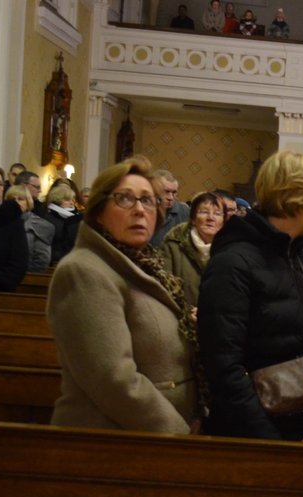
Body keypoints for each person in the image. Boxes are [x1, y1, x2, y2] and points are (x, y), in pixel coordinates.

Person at [197, 150, 303, 442]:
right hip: (252, 439)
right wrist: (272, 445)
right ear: (297, 200)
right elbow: (224, 368)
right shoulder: (233, 263)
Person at [45, 157, 200, 433]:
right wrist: (179, 433)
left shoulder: (147, 266)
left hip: (150, 438)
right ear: (98, 211)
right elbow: (113, 380)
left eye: (148, 200)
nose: (140, 210)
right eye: (125, 199)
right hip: (113, 442)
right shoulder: (85, 270)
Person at [159, 191, 226, 308]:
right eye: (204, 212)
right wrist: (188, 312)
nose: (210, 218)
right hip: (180, 319)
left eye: (217, 214)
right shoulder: (173, 247)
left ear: (223, 222)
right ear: (193, 219)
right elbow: (163, 289)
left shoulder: (230, 251)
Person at [6, 184, 55, 272]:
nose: (16, 202)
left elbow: (42, 260)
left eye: (20, 199)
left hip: (28, 276)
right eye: (12, 199)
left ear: (28, 202)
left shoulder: (40, 225)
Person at [42, 182, 82, 265]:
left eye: (72, 199)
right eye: (67, 200)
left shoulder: (76, 217)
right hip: (55, 261)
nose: (72, 203)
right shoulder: (48, 218)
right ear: (57, 201)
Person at [150, 170, 190, 246]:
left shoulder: (185, 211)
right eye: (166, 192)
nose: (171, 197)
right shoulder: (145, 210)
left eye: (174, 192)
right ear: (154, 191)